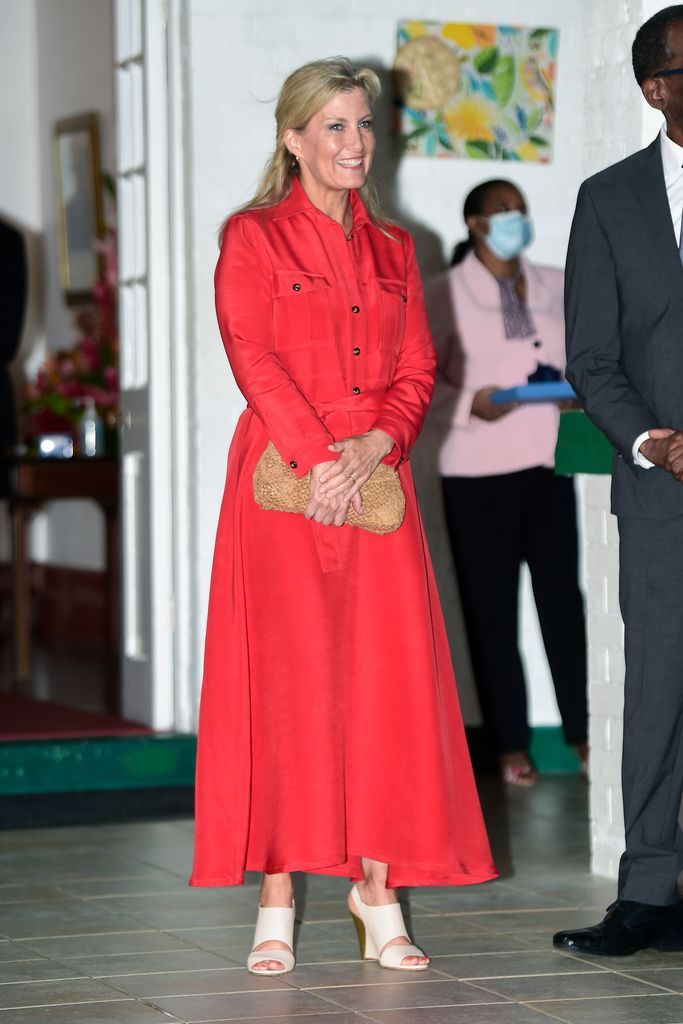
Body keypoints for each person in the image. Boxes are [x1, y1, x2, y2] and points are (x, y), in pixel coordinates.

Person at [190, 57, 496, 976]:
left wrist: (373, 448)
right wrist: (321, 458)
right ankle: (277, 897)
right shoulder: (250, 237)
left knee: (382, 689)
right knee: (287, 688)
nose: (354, 143)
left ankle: (376, 892)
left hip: (374, 482)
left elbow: (416, 371)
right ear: (292, 140)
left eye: (363, 126)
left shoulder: (400, 249)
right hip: (284, 483)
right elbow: (252, 357)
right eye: (332, 126)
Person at [553, 6, 683, 956]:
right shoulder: (608, 198)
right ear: (656, 88)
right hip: (662, 490)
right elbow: (590, 357)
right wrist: (654, 442)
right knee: (661, 692)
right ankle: (646, 895)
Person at [424, 180, 588, 788]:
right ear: (473, 223)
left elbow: (589, 355)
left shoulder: (558, 282)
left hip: (549, 464)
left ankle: (583, 734)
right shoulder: (442, 294)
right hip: (475, 473)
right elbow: (417, 382)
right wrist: (472, 402)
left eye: (520, 209)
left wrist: (581, 394)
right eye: (500, 213)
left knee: (562, 605)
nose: (513, 220)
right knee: (490, 614)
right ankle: (509, 745)